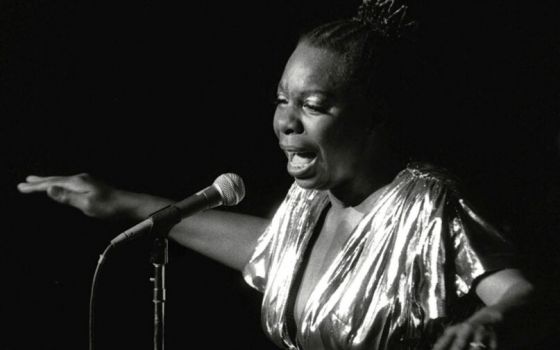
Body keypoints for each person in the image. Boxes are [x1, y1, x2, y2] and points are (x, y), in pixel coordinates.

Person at [17, 1, 537, 349]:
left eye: (312, 105)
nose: (286, 122)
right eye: (282, 100)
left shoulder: (426, 205)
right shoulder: (306, 203)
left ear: (374, 115)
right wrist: (120, 203)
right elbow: (271, 252)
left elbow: (520, 293)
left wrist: (489, 319)